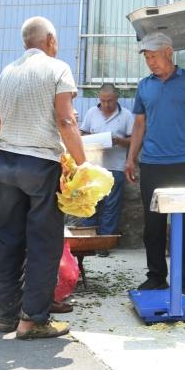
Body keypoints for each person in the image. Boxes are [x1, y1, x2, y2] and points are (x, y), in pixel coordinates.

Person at [0, 16, 86, 340]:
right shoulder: (57, 69)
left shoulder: (6, 72)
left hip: (3, 164)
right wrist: (83, 165)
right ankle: (32, 320)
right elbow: (66, 121)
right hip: (39, 165)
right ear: (51, 40)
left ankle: (5, 315)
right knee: (44, 245)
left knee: (8, 240)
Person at [125, 32, 185, 304]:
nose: (150, 62)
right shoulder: (145, 86)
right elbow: (139, 124)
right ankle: (156, 276)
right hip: (152, 163)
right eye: (147, 58)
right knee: (152, 225)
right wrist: (131, 158)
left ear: (168, 52)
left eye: (153, 56)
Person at [77, 83, 134, 253]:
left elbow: (134, 139)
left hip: (115, 166)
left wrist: (118, 141)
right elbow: (81, 134)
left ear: (116, 99)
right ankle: (89, 241)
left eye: (109, 101)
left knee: (111, 205)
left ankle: (103, 244)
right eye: (103, 101)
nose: (106, 104)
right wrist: (94, 139)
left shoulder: (126, 116)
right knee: (91, 203)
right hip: (93, 166)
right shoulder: (92, 113)